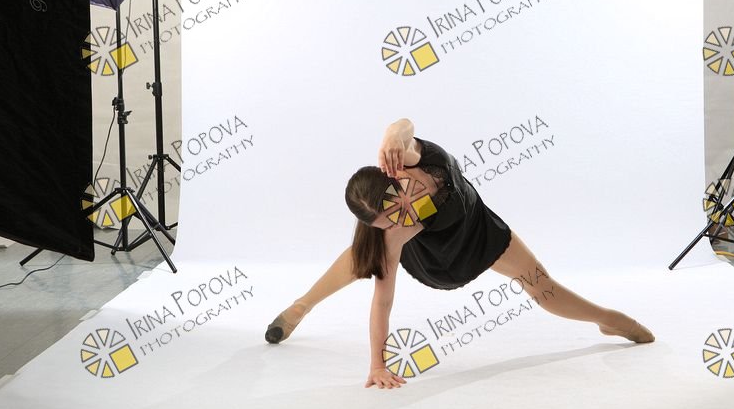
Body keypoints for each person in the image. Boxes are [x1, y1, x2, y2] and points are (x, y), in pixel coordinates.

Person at [265, 118, 655, 389]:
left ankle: (608, 319)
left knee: (543, 287)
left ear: (394, 176)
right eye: (387, 223)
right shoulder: (392, 236)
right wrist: (377, 365)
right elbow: (382, 303)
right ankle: (300, 307)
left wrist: (392, 133)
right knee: (361, 257)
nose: (399, 221)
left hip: (480, 234)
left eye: (396, 210)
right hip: (434, 262)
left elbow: (405, 128)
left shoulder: (420, 161)